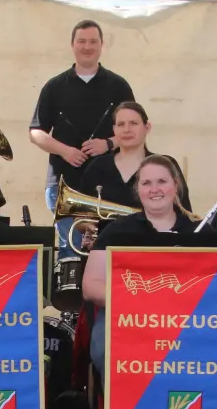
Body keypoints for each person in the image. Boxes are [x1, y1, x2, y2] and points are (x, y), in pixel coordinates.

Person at [82, 154, 198, 372]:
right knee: (106, 350)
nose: (155, 189)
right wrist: (138, 302)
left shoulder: (200, 233)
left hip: (184, 321)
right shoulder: (116, 231)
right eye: (146, 183)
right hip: (124, 318)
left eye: (162, 182)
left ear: (176, 185)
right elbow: (91, 285)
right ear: (138, 190)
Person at [29, 19, 135, 209]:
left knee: (106, 239)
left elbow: (135, 130)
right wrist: (65, 151)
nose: (87, 47)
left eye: (93, 41)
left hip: (111, 184)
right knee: (68, 240)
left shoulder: (119, 86)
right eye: (82, 41)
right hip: (63, 184)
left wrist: (108, 143)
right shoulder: (54, 87)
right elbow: (36, 133)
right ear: (72, 45)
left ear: (102, 45)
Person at [75, 101, 185, 210]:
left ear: (147, 127)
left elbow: (184, 213)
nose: (127, 130)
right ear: (114, 130)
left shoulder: (165, 165)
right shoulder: (97, 167)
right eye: (121, 124)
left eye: (133, 123)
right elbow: (80, 212)